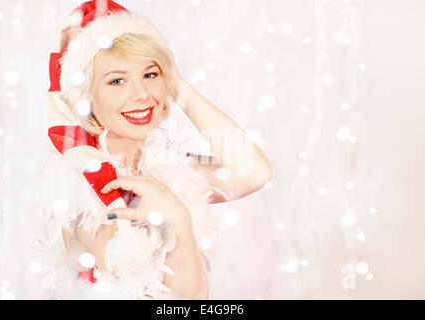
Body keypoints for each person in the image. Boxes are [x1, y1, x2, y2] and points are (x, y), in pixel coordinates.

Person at [33, 0, 272, 300]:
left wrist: (179, 87)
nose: (142, 94)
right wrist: (176, 218)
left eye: (150, 74)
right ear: (85, 98)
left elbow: (253, 172)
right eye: (117, 81)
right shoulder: (83, 195)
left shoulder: (160, 164)